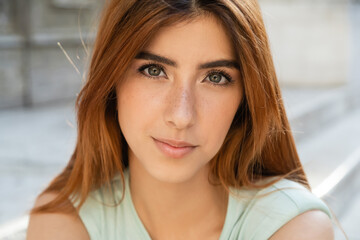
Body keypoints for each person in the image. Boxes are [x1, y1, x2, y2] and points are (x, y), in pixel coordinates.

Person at [26, 0, 335, 239]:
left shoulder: (293, 227)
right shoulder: (63, 223)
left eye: (215, 77)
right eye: (154, 70)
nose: (181, 116)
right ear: (112, 79)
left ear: (246, 97)